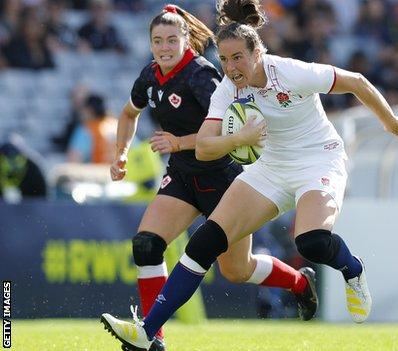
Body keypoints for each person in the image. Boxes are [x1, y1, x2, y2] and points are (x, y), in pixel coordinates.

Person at [100, 1, 398, 349]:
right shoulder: (226, 88)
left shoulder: (290, 72)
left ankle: (352, 270)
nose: (231, 68)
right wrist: (240, 139)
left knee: (310, 241)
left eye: (238, 58)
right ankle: (148, 332)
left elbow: (355, 81)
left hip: (318, 160)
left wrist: (389, 120)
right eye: (224, 59)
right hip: (270, 168)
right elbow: (204, 146)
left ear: (258, 52)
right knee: (204, 243)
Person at [100, 5, 318, 351]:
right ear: (150, 43)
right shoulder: (150, 76)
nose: (165, 47)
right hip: (184, 178)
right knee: (146, 245)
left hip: (225, 179)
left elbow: (230, 127)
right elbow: (129, 114)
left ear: (187, 40)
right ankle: (151, 337)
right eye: (158, 41)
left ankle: (299, 283)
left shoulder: (202, 75)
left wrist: (178, 142)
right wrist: (121, 153)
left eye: (172, 39)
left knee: (237, 270)